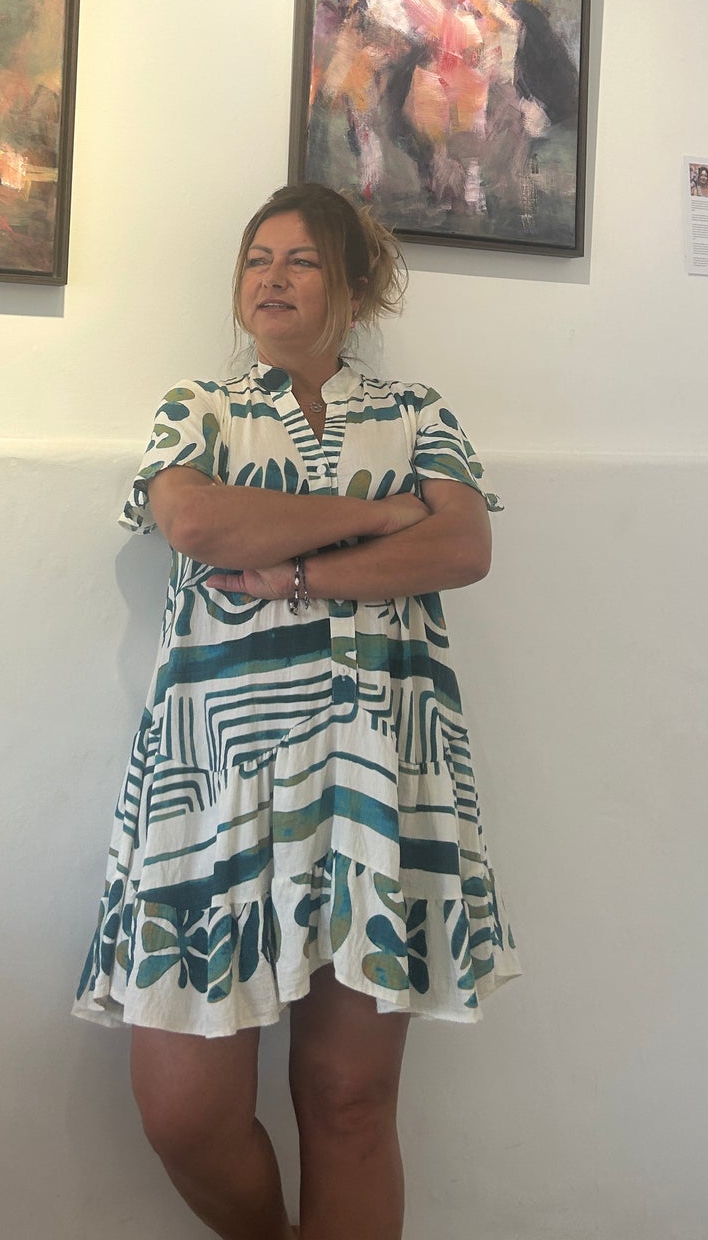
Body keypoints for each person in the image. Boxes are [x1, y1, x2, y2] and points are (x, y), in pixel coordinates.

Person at [74, 182, 519, 1240]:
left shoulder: (417, 412)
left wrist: (299, 571)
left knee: (351, 1103)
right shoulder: (199, 408)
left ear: (354, 285)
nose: (271, 278)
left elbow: (462, 545)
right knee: (184, 1113)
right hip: (213, 780)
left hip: (378, 774)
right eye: (256, 259)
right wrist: (383, 515)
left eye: (301, 260)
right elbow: (198, 522)